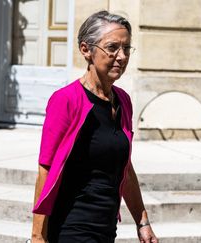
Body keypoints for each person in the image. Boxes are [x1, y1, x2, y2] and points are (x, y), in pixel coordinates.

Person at [30, 10, 158, 243]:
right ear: (86, 50)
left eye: (126, 48)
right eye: (112, 48)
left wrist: (142, 221)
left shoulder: (123, 101)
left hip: (106, 228)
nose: (121, 56)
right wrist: (38, 236)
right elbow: (45, 170)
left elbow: (125, 168)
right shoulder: (66, 100)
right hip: (72, 227)